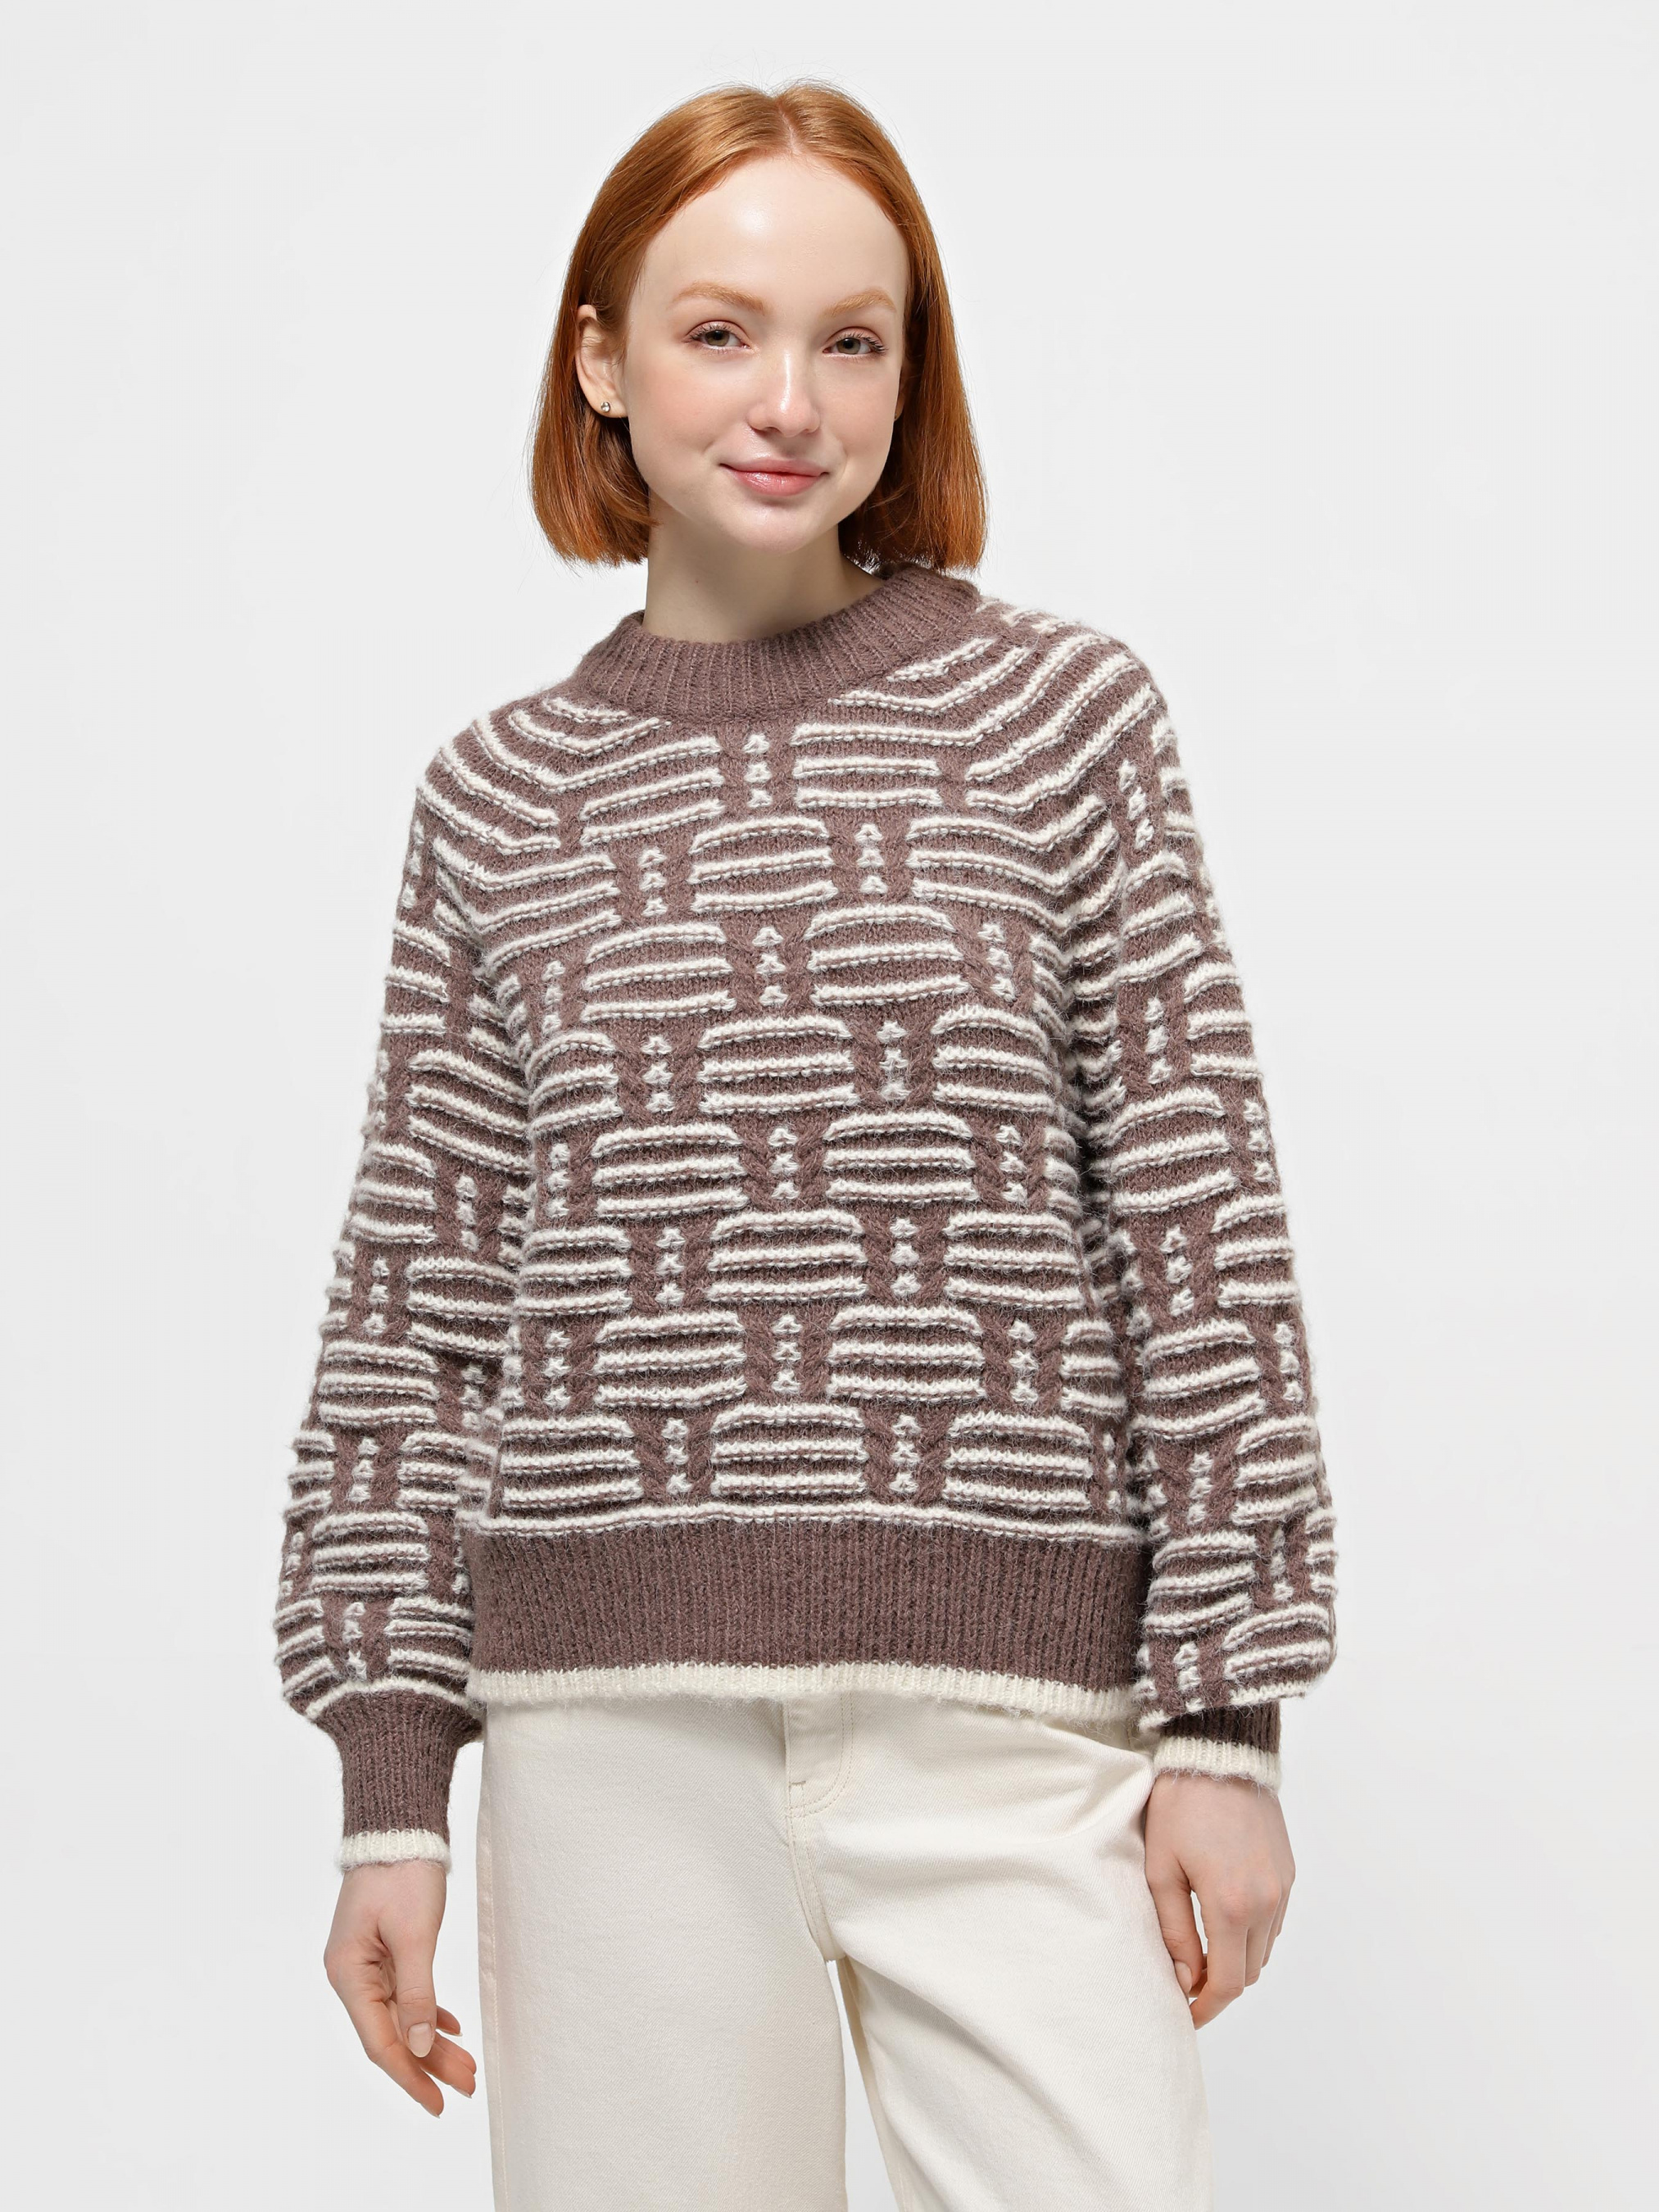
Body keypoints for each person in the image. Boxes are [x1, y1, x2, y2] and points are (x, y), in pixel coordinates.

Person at [274, 78, 1339, 2210]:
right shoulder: (499, 798)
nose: (791, 400)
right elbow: (419, 1311)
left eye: (855, 339)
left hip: (1012, 1714)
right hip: (610, 1732)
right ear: (599, 359)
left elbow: (1197, 1229)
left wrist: (1222, 1727)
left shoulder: (1060, 722)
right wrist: (392, 1787)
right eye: (720, 332)